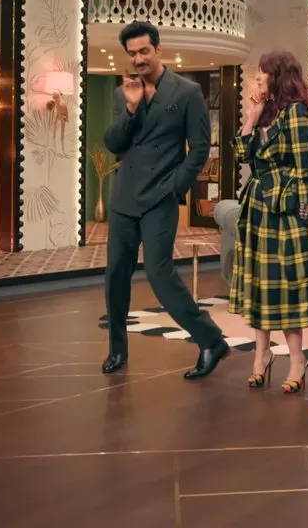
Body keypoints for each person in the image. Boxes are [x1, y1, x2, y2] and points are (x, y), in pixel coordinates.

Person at [101, 20, 229, 379]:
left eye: (144, 51)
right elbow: (113, 143)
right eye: (132, 54)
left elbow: (199, 148)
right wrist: (130, 110)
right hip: (125, 197)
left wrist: (175, 187)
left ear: (158, 49)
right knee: (115, 275)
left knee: (160, 275)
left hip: (160, 197)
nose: (138, 59)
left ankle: (211, 340)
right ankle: (117, 349)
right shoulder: (124, 92)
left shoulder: (187, 92)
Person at [229, 51, 308, 392]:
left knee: (286, 289)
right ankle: (261, 356)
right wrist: (251, 117)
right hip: (257, 211)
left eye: (264, 72)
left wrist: (296, 211)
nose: (258, 77)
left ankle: (297, 360)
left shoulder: (298, 113)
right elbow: (242, 156)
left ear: (280, 76)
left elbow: (307, 173)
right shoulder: (266, 112)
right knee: (261, 287)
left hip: (285, 215)